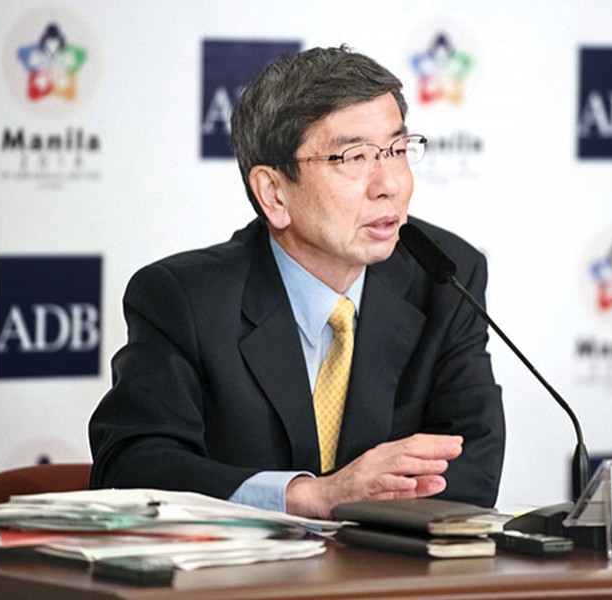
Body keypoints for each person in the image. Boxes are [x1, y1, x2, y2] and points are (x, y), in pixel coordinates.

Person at [88, 45, 505, 519]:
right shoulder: (185, 300)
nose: (388, 182)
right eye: (353, 157)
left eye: (397, 149)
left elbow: (473, 466)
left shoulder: (445, 275)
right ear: (274, 193)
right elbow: (132, 468)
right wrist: (310, 496)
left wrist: (362, 518)